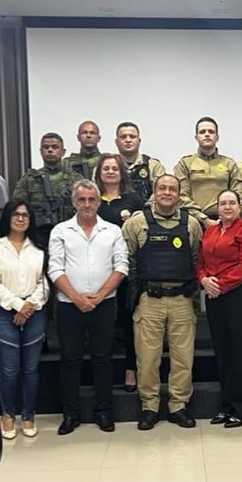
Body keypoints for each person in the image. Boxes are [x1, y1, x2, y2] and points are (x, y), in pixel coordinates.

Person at [122, 175, 203, 430]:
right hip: (149, 300)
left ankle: (178, 406)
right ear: (154, 192)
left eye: (172, 189)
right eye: (162, 188)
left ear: (179, 194)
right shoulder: (137, 223)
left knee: (183, 358)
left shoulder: (190, 223)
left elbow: (195, 258)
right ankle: (149, 406)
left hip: (181, 299)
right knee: (147, 359)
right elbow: (129, 261)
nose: (167, 192)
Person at [48, 180, 129, 435]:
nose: (86, 204)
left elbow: (122, 266)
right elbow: (55, 269)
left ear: (98, 202)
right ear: (74, 202)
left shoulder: (113, 230)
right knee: (70, 360)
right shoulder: (61, 231)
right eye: (81, 200)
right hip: (69, 306)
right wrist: (77, 298)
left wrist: (98, 296)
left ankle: (103, 412)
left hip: (104, 304)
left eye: (91, 200)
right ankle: (71, 414)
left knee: (103, 359)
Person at [0, 200, 50, 440]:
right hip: (3, 311)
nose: (21, 219)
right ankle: (8, 414)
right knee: (10, 369)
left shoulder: (38, 248)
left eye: (25, 215)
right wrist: (19, 306)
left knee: (31, 369)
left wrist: (30, 306)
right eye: (16, 214)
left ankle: (28, 415)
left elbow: (44, 283)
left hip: (34, 312)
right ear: (8, 217)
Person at [197, 189, 242, 427]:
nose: (227, 207)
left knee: (240, 353)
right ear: (217, 207)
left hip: (241, 295)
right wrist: (203, 279)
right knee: (222, 352)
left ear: (239, 206)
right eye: (222, 203)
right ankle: (226, 406)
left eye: (231, 203)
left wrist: (219, 285)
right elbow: (200, 261)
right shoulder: (211, 231)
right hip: (216, 296)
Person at [94, 152, 145, 391]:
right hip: (98, 268)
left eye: (115, 168)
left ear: (121, 172)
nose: (111, 172)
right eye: (106, 169)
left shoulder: (133, 200)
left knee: (128, 321)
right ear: (99, 173)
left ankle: (130, 369)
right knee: (102, 322)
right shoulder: (92, 199)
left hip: (127, 269)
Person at [174, 116, 242, 227]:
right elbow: (181, 196)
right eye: (202, 132)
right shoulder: (185, 163)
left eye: (211, 132)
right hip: (193, 222)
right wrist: (203, 219)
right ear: (196, 137)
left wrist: (226, 219)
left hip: (226, 222)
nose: (207, 134)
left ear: (217, 137)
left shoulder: (229, 164)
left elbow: (240, 196)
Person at [12, 133, 81, 247]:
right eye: (46, 147)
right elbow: (17, 209)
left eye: (54, 147)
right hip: (38, 239)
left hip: (71, 239)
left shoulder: (75, 179)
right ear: (40, 151)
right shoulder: (29, 180)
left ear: (63, 151)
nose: (50, 150)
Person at [114, 121, 166, 202]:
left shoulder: (153, 165)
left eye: (132, 136)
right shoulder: (106, 167)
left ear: (139, 141)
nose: (128, 140)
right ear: (116, 142)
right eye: (123, 137)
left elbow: (161, 192)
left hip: (147, 212)